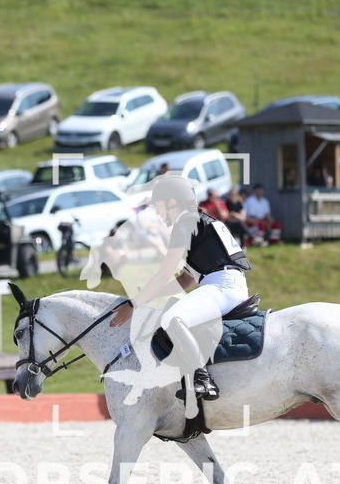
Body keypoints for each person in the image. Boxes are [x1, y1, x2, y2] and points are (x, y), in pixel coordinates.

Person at [108, 175, 252, 417]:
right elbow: (186, 280)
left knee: (172, 319)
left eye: (159, 205)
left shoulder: (185, 224)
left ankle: (201, 378)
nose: (158, 212)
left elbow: (165, 272)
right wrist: (148, 297)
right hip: (225, 283)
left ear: (173, 202)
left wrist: (133, 303)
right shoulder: (197, 222)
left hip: (222, 285)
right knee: (173, 312)